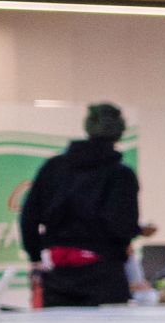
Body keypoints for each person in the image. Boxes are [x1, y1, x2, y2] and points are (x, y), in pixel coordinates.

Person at [18, 103, 142, 305]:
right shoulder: (120, 174)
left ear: (87, 127)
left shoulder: (53, 167)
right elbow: (122, 226)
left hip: (58, 273)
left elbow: (29, 217)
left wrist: (35, 256)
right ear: (120, 132)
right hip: (104, 273)